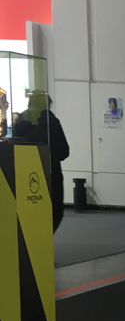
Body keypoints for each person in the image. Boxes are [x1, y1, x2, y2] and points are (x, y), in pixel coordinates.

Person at [13, 93, 69, 231]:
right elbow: (63, 151)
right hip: (50, 172)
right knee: (54, 211)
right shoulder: (51, 122)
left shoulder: (21, 123)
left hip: (24, 173)